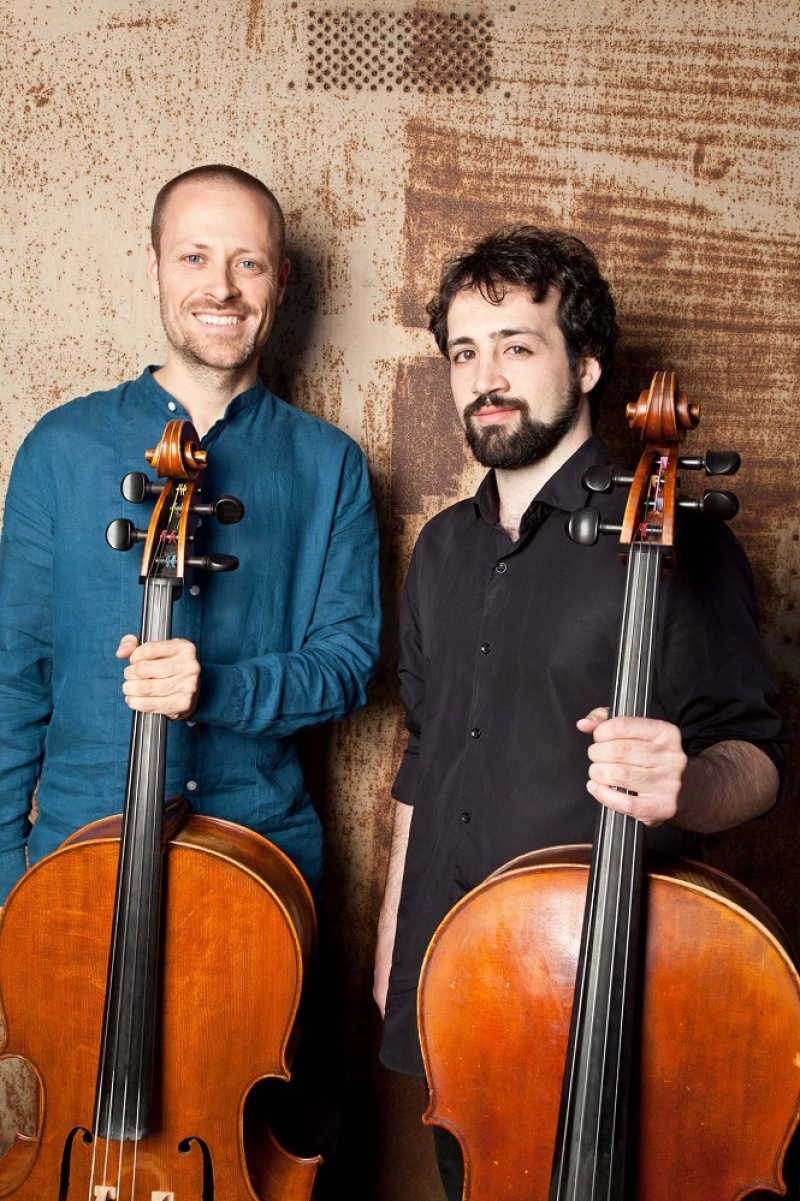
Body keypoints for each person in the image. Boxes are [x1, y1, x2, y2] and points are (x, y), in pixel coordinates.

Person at [373, 226, 784, 1200]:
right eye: (464, 352)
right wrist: (394, 941)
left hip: (612, 983)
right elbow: (424, 753)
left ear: (586, 363)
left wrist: (686, 781)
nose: (485, 378)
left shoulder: (675, 539)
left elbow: (759, 757)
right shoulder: (440, 549)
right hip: (454, 982)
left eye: (517, 345)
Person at [0, 165, 380, 1174]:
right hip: (74, 868)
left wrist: (221, 687)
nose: (222, 286)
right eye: (196, 257)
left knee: (253, 1138)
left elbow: (349, 666)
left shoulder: (329, 464)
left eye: (248, 263)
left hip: (258, 865)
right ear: (154, 266)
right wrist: (6, 896)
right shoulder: (59, 449)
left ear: (281, 281)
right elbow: (9, 684)